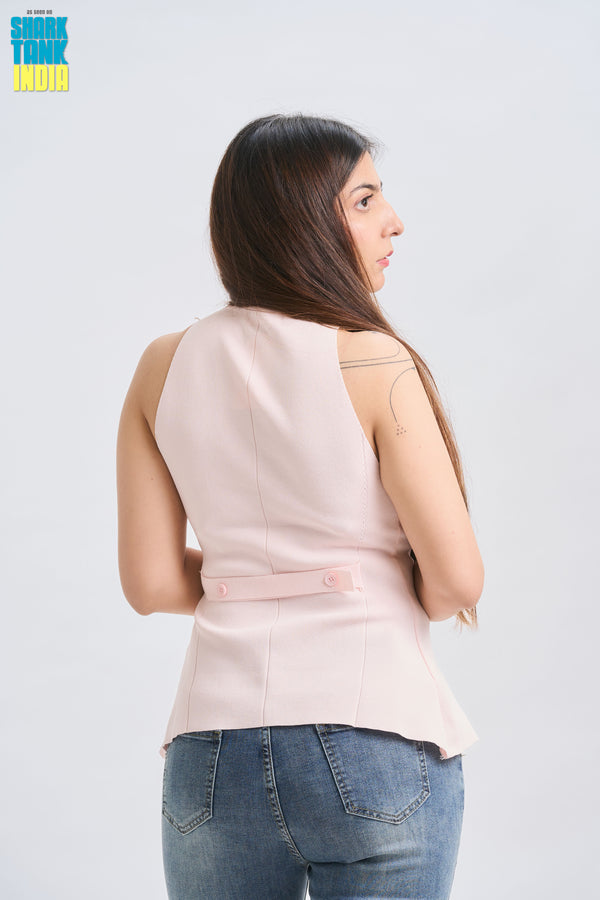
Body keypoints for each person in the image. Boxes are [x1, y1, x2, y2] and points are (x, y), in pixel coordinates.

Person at [116, 113, 484, 900]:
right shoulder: (371, 356)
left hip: (211, 751)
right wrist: (359, 579)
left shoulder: (161, 366)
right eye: (363, 201)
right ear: (300, 221)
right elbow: (457, 581)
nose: (394, 221)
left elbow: (149, 584)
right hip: (376, 733)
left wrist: (255, 576)